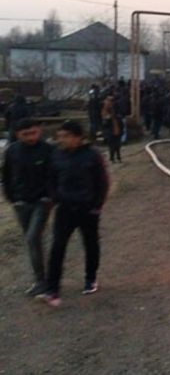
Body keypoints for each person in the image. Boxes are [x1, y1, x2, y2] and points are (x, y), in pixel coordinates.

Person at [39, 120, 109, 307]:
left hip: (87, 208)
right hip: (65, 208)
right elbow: (51, 179)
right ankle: (52, 288)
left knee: (90, 243)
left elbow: (102, 182)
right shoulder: (56, 156)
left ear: (78, 137)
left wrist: (97, 206)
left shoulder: (92, 156)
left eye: (66, 136)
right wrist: (56, 197)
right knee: (57, 248)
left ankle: (90, 278)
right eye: (60, 136)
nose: (62, 140)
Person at [2, 118, 54, 296]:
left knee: (33, 238)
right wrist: (11, 197)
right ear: (18, 135)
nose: (31, 137)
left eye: (34, 132)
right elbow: (7, 175)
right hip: (21, 203)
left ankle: (41, 281)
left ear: (39, 131)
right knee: (33, 241)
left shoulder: (48, 150)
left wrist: (50, 197)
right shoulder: (12, 151)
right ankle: (41, 278)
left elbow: (55, 175)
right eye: (26, 134)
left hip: (42, 202)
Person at [100, 96, 123, 163]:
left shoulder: (116, 109)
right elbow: (104, 122)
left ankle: (118, 157)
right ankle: (112, 158)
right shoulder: (104, 110)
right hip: (110, 130)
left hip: (117, 128)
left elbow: (119, 117)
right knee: (112, 145)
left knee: (117, 144)